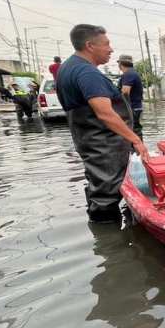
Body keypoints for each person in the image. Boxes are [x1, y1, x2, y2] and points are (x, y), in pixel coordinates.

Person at [56, 24, 148, 224]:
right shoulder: (86, 72)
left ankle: (103, 233)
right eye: (106, 44)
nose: (111, 49)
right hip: (103, 143)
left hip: (90, 140)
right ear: (90, 45)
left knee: (99, 183)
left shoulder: (68, 67)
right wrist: (135, 139)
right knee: (107, 190)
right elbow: (105, 114)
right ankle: (111, 240)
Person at [117, 54, 144, 140]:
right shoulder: (132, 73)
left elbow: (125, 92)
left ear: (120, 64)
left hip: (132, 108)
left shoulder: (128, 74)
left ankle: (137, 152)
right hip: (135, 107)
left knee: (132, 130)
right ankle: (137, 151)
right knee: (134, 130)